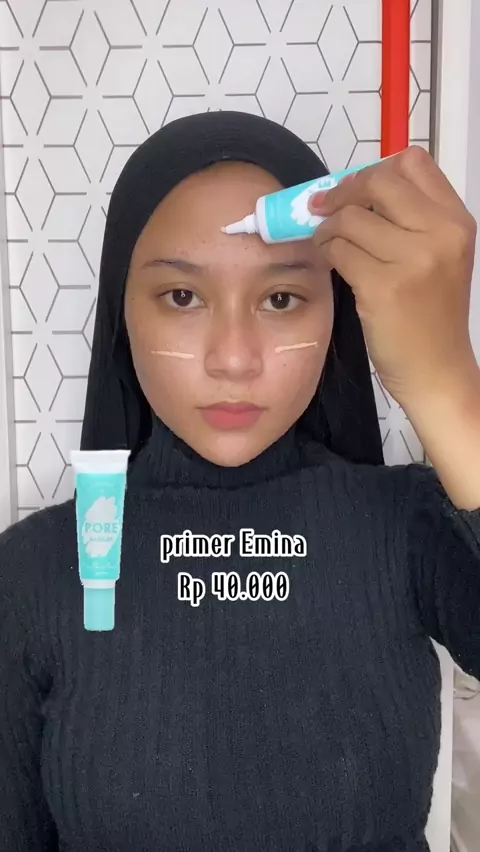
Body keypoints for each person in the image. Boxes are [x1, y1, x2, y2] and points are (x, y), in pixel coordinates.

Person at [0, 110, 479, 852]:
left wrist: (447, 382)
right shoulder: (30, 574)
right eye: (182, 297)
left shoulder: (408, 527)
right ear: (121, 315)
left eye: (281, 298)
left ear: (338, 312)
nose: (233, 358)